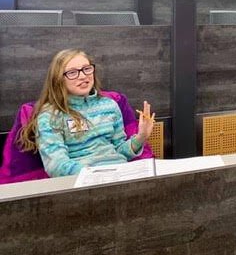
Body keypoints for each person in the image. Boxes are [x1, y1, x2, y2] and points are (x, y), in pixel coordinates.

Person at [17, 49, 155, 177]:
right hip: (81, 182)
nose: (83, 76)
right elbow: (56, 165)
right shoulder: (50, 115)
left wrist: (140, 137)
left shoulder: (110, 105)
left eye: (87, 69)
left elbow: (119, 150)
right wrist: (95, 175)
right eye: (72, 72)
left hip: (119, 175)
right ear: (58, 79)